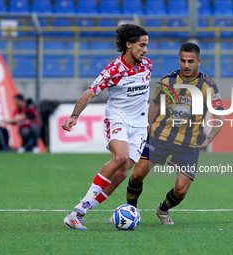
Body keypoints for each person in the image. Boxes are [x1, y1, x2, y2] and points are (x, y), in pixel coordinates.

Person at [89, 42, 224, 225]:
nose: (186, 65)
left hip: (188, 143)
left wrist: (209, 138)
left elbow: (219, 115)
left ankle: (163, 210)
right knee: (137, 174)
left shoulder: (208, 85)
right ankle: (131, 210)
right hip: (160, 136)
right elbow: (154, 106)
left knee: (181, 189)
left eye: (190, 61)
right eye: (183, 60)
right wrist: (145, 128)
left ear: (199, 61)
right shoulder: (168, 80)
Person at [61, 23, 151, 230]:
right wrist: (75, 116)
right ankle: (76, 212)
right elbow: (90, 92)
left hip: (139, 125)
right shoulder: (114, 69)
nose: (145, 50)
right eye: (142, 45)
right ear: (129, 45)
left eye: (146, 45)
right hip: (118, 118)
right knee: (119, 157)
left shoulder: (147, 65)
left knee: (122, 172)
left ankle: (86, 212)